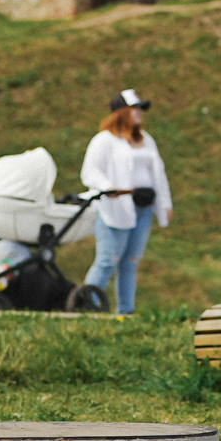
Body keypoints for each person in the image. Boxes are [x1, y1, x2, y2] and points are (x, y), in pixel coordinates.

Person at [82, 88, 171, 315]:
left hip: (142, 209)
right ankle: (88, 305)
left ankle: (126, 311)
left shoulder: (146, 140)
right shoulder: (104, 141)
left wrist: (164, 203)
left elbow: (158, 173)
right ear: (121, 112)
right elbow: (90, 171)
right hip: (116, 208)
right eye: (135, 108)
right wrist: (107, 188)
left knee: (130, 262)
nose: (140, 113)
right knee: (107, 260)